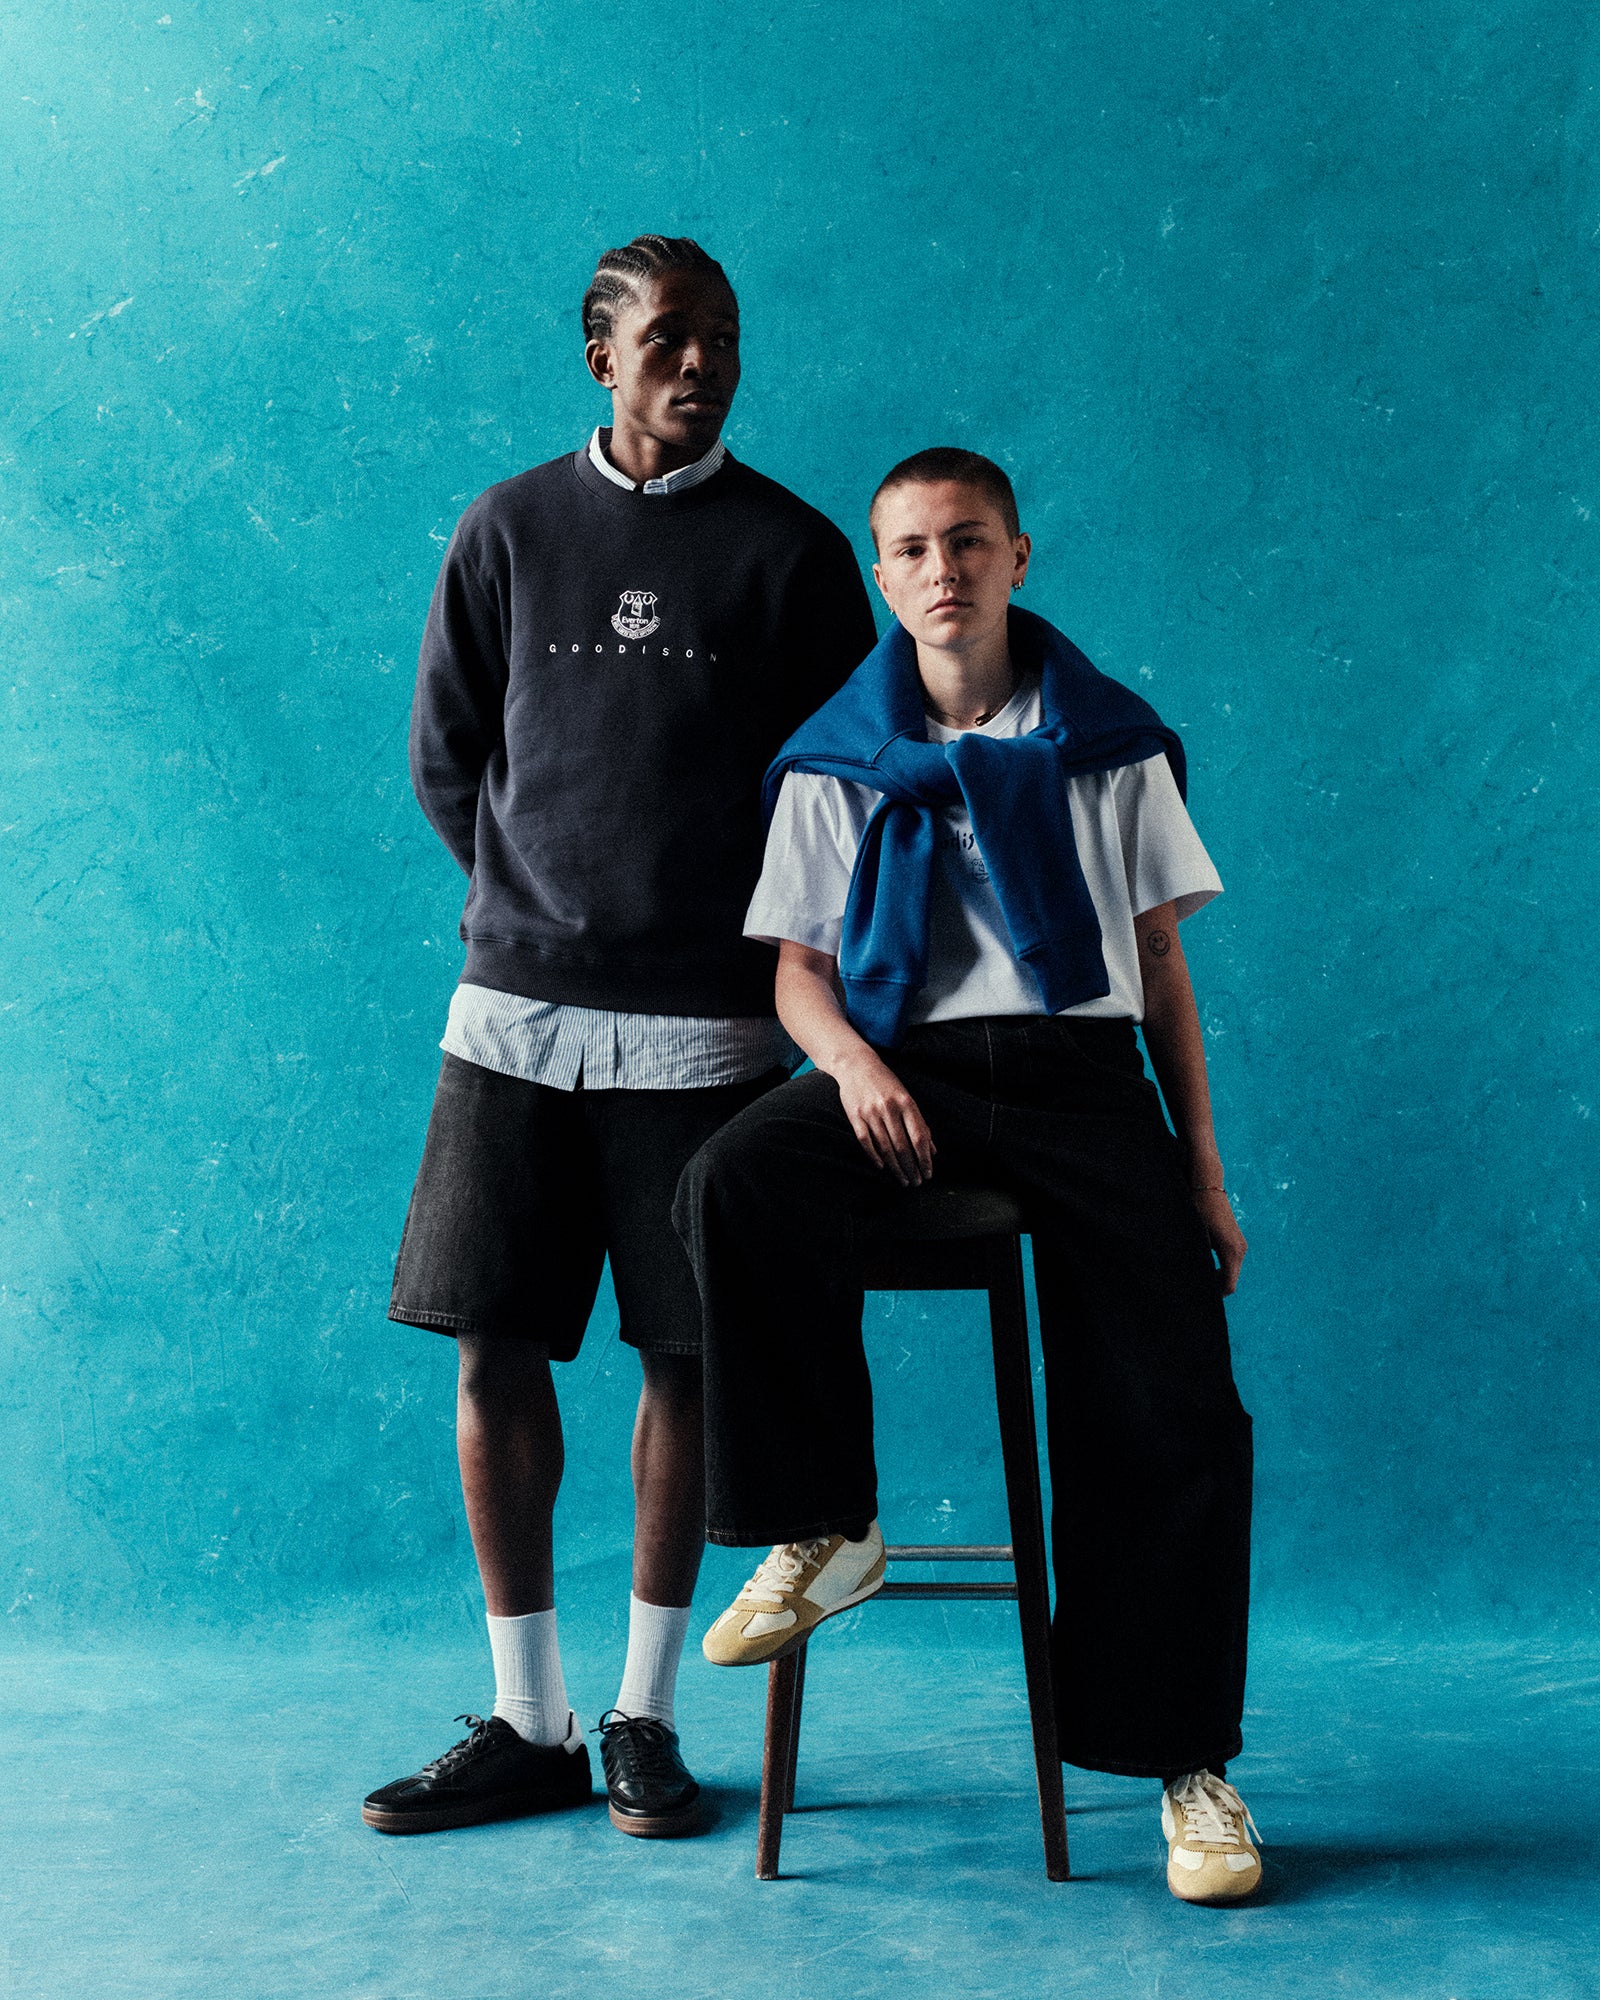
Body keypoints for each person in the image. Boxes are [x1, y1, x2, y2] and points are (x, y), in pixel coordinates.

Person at [675, 447, 1262, 1903]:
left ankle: (1189, 1766)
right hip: (911, 1073)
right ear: (884, 577)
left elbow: (1160, 961)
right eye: (914, 549)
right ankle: (829, 1525)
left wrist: (1201, 1170)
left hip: (1081, 1083)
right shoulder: (838, 756)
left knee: (1173, 1401)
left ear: (1017, 558)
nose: (944, 570)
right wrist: (855, 1071)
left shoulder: (1107, 744)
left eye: (970, 541)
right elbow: (798, 974)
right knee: (736, 1181)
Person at [361, 236, 877, 1843]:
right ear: (602, 356)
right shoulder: (507, 528)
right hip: (510, 1020)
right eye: (667, 340)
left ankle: (646, 1719)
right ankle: (532, 1723)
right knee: (491, 1347)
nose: (700, 363)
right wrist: (540, 905)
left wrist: (716, 941)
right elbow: (448, 756)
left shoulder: (795, 555)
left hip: (709, 1038)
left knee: (688, 1359)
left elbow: (838, 797)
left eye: (722, 337)